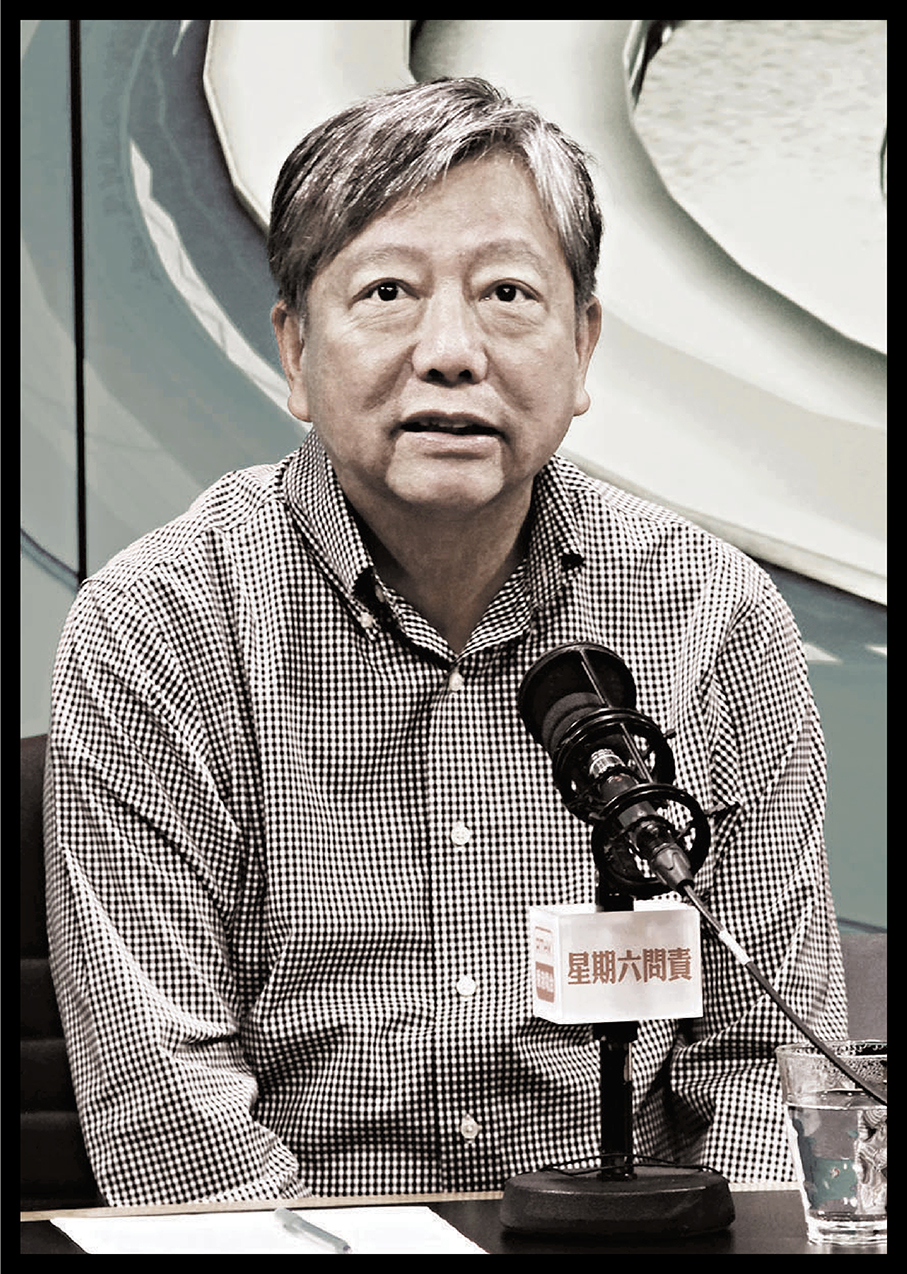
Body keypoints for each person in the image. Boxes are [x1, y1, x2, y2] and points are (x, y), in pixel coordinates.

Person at [45, 77, 847, 1208]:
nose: (452, 352)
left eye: (507, 292)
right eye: (387, 292)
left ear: (582, 347)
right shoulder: (158, 627)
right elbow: (166, 1101)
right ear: (293, 350)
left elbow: (765, 1064)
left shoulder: (712, 616)